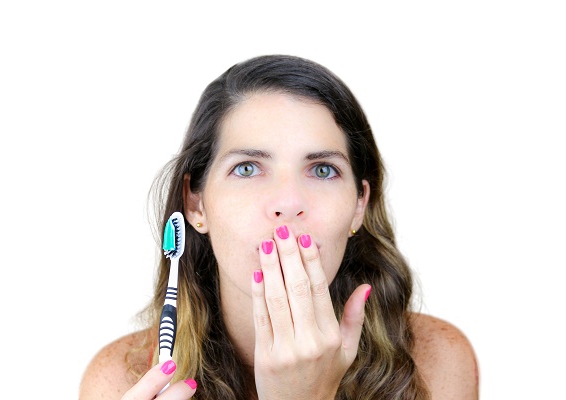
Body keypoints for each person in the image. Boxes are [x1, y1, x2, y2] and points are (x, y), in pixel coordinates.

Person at [79, 55, 478, 399]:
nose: (288, 203)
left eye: (323, 170)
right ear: (195, 203)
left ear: (360, 205)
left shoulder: (435, 361)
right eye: (248, 168)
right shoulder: (117, 381)